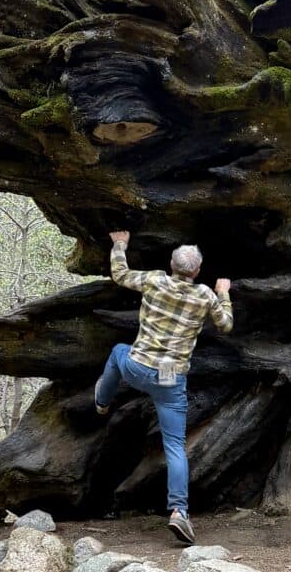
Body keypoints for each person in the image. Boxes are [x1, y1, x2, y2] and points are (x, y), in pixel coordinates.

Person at [94, 230, 233, 544]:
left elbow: (120, 274)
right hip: (168, 377)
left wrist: (119, 244)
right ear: (197, 271)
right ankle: (179, 512)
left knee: (118, 351)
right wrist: (223, 292)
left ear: (171, 264)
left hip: (137, 366)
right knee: (174, 446)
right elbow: (225, 324)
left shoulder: (155, 280)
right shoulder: (205, 296)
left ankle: (102, 401)